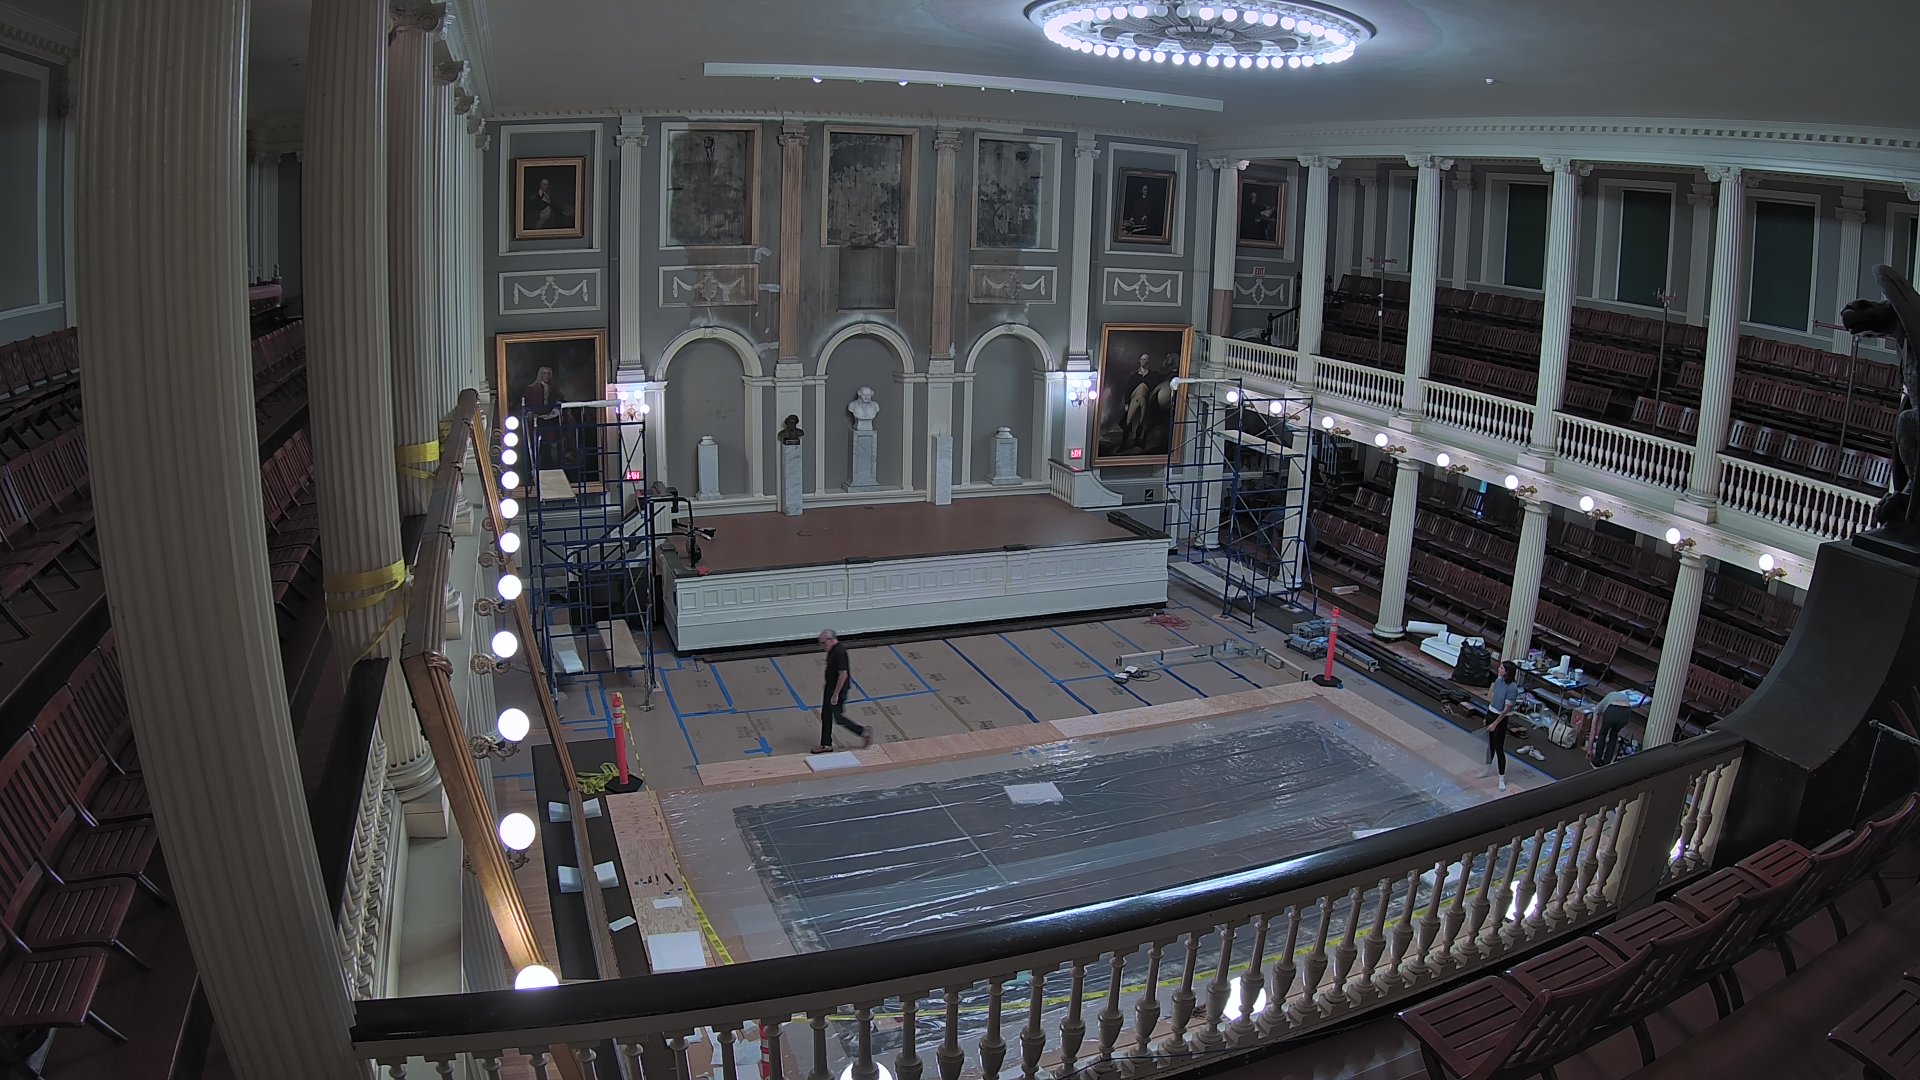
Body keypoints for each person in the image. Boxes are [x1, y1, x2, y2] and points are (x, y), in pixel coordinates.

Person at [814, 628, 872, 753]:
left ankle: (863, 732)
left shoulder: (839, 652)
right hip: (831, 688)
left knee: (838, 717)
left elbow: (843, 674)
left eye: (823, 643)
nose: (822, 646)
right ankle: (826, 744)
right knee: (826, 715)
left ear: (830, 640)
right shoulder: (832, 650)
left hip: (837, 691)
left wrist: (835, 694)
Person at [1485, 660, 1522, 792]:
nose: (1499, 669)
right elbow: (1493, 698)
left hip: (1500, 718)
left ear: (1507, 672)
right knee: (1490, 745)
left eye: (1501, 668)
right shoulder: (1498, 681)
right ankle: (1487, 769)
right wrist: (1487, 717)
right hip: (1491, 712)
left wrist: (1495, 723)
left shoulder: (1512, 688)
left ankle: (1501, 778)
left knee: (1499, 748)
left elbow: (1506, 709)